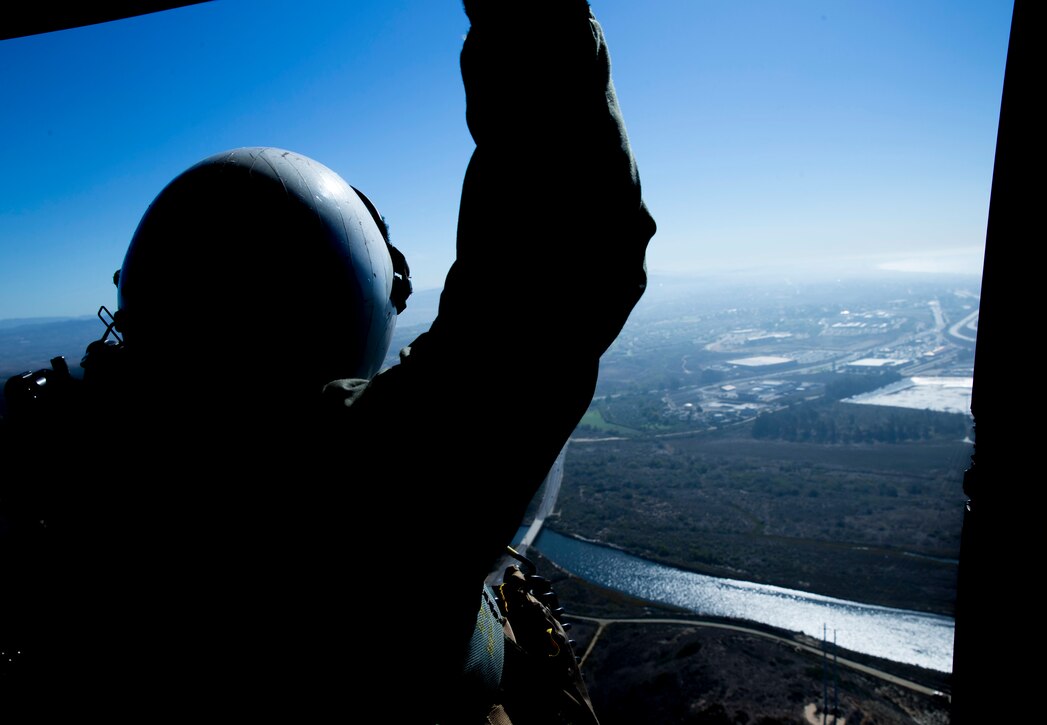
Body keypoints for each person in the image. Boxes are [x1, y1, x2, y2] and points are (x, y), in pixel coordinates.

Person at [2, 1, 654, 721]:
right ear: (355, 305)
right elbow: (556, 289)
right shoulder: (341, 489)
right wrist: (530, 23)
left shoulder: (56, 447)